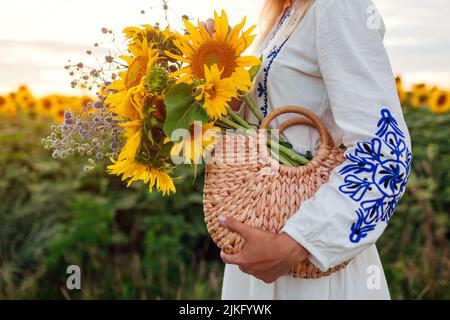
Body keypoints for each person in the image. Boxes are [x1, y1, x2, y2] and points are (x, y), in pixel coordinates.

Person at [204, 0, 412, 300]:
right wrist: (218, 73)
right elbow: (261, 122)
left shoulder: (339, 6)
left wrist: (297, 242)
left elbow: (385, 151)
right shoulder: (285, 14)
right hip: (263, 233)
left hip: (306, 246)